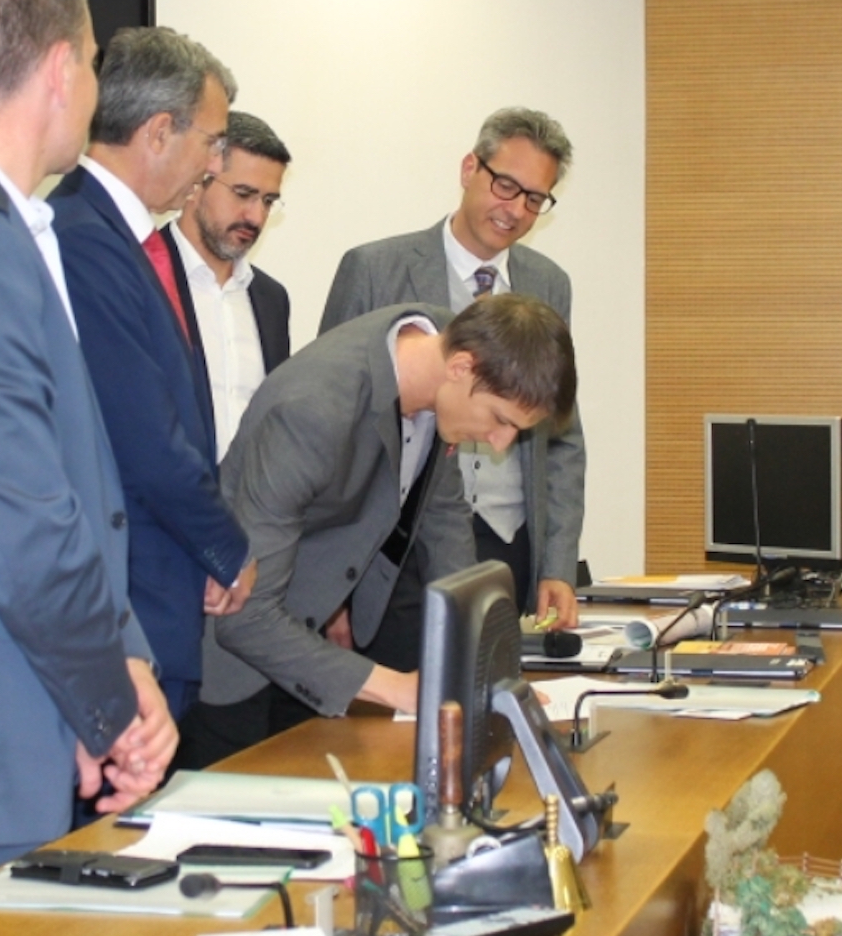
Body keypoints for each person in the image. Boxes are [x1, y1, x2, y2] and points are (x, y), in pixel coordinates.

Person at [176, 293, 577, 767]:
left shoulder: (443, 348)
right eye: (500, 420)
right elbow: (245, 617)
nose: (501, 442)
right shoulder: (312, 408)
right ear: (461, 368)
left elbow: (444, 517)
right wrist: (402, 689)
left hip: (308, 640)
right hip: (229, 660)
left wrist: (489, 671)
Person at [0, 0, 176, 861]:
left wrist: (118, 664)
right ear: (64, 69)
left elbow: (74, 483)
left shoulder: (25, 232)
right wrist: (111, 706)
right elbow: (23, 519)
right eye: (99, 63)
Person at [49, 27, 255, 724]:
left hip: (160, 599)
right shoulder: (84, 239)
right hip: (130, 609)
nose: (215, 163)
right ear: (161, 130)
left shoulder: (119, 237)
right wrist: (226, 547)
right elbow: (146, 438)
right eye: (213, 142)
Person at [320, 108, 584, 647]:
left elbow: (561, 435)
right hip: (396, 550)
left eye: (535, 198)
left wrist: (557, 564)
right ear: (470, 168)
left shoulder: (548, 284)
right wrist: (330, 589)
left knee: (491, 690)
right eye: (506, 185)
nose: (516, 210)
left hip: (508, 544)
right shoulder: (375, 270)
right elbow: (335, 434)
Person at [166, 110, 292, 461]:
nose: (256, 216)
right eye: (243, 194)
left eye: (268, 201)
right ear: (198, 181)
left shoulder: (271, 299)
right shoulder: (143, 272)